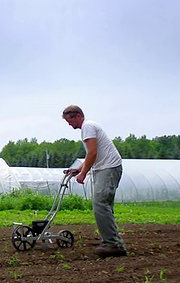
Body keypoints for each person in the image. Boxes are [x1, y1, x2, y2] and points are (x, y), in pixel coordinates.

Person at [62, 105, 127, 258]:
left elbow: (93, 152)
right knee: (104, 206)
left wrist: (83, 174)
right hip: (106, 167)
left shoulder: (88, 127)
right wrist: (78, 169)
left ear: (77, 116)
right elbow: (92, 155)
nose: (69, 125)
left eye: (69, 121)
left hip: (108, 168)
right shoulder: (88, 127)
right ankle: (114, 242)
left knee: (100, 204)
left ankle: (112, 244)